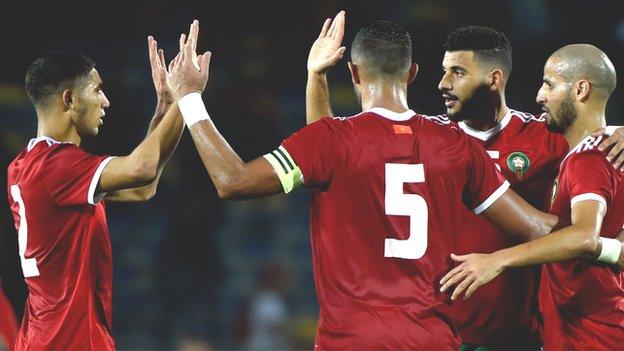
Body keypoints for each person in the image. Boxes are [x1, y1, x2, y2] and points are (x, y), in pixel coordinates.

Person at [168, 18, 622, 349]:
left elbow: (237, 180)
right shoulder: (453, 145)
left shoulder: (333, 141)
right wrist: (610, 246)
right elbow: (544, 228)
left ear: (355, 74)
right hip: (434, 337)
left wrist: (190, 98)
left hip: (358, 340)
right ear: (413, 74)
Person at [306, 16, 624, 350]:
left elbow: (596, 155)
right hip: (440, 329)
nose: (443, 83)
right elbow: (329, 151)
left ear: (493, 79)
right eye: (444, 71)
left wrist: (616, 131)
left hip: (521, 334)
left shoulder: (546, 139)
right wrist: (317, 77)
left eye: (457, 72)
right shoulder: (433, 140)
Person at [5, 21, 201, 350]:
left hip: (45, 337)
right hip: (70, 340)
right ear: (68, 99)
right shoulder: (58, 168)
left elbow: (142, 187)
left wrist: (166, 106)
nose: (105, 101)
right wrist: (187, 95)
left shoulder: (26, 165)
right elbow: (143, 167)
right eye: (96, 90)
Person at [440, 44, 624, 351]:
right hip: (574, 329)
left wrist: (498, 260)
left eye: (549, 84)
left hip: (588, 335)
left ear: (580, 90)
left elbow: (583, 236)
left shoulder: (587, 159)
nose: (539, 95)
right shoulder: (599, 152)